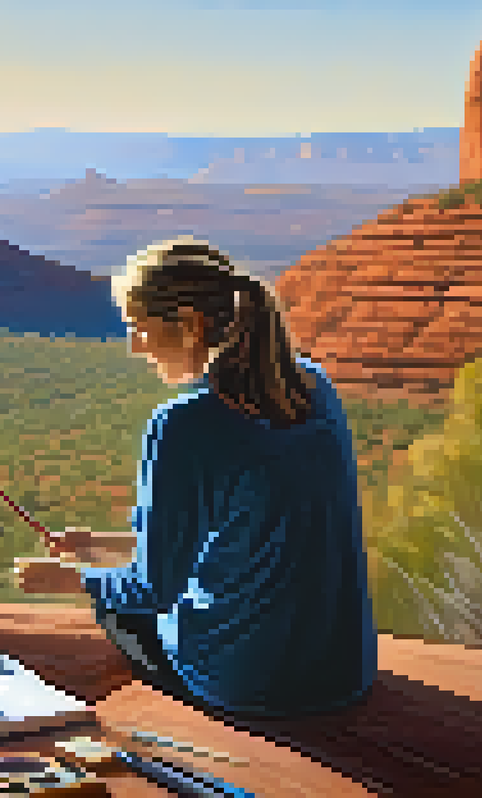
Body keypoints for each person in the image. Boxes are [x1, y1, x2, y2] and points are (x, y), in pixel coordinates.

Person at [74, 235, 377, 719]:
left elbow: (153, 590)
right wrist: (101, 546)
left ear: (191, 326)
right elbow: (252, 533)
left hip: (248, 685)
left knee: (116, 610)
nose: (134, 346)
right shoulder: (315, 386)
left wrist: (75, 579)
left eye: (138, 327)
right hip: (343, 674)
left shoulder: (182, 424)